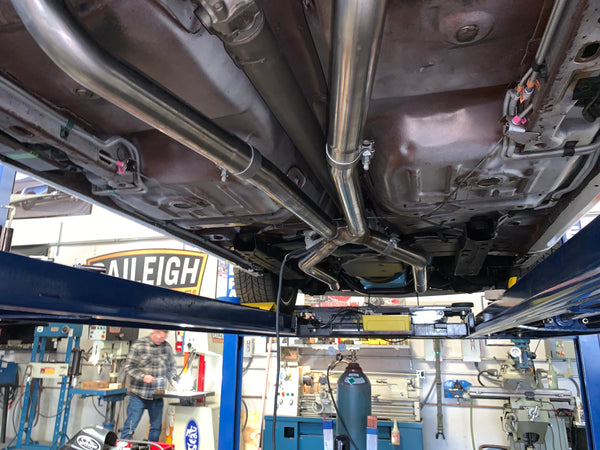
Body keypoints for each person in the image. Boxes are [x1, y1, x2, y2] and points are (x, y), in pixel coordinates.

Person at [120, 329, 177, 442]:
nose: (162, 340)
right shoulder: (139, 345)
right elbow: (128, 367)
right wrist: (142, 376)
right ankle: (123, 446)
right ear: (154, 332)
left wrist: (173, 380)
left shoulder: (166, 348)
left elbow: (171, 368)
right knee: (130, 428)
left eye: (164, 338)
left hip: (157, 396)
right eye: (160, 337)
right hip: (138, 395)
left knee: (156, 429)